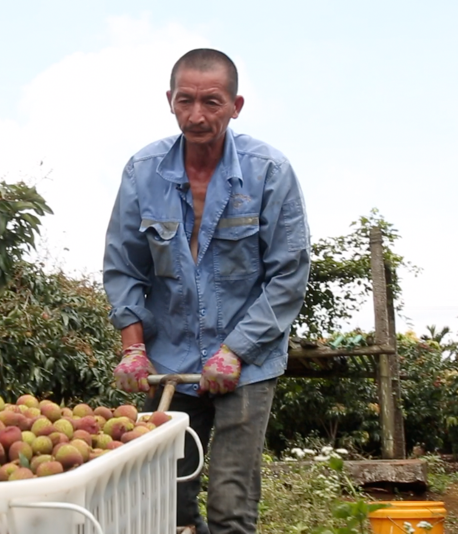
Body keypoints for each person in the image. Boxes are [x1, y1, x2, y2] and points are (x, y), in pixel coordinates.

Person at [102, 48, 311, 534]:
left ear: (236, 106)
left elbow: (288, 274)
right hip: (168, 357)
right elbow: (123, 266)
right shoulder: (143, 171)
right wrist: (133, 348)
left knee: (230, 503)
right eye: (186, 100)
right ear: (169, 101)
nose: (197, 115)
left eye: (212, 102)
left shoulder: (269, 171)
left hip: (248, 361)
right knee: (163, 496)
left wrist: (235, 351)